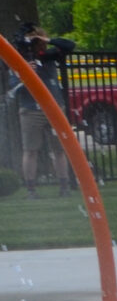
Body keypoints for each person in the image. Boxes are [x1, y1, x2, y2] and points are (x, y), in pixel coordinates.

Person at [12, 23, 64, 196]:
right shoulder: (21, 62)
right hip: (31, 109)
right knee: (30, 150)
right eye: (38, 43)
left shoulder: (49, 57)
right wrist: (26, 75)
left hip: (54, 108)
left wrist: (45, 38)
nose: (42, 47)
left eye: (43, 43)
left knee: (59, 149)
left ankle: (64, 186)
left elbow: (68, 46)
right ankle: (31, 188)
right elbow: (13, 88)